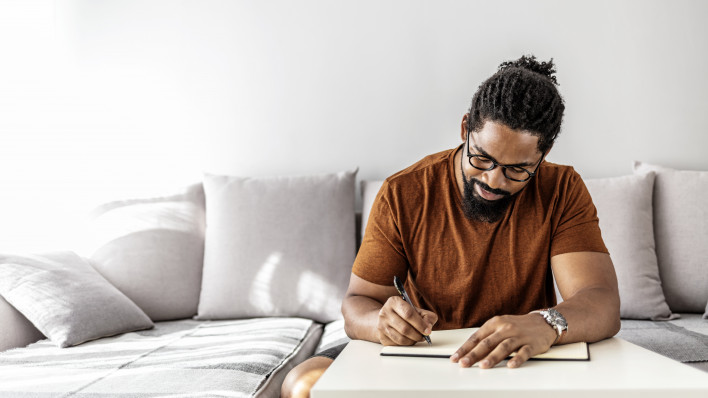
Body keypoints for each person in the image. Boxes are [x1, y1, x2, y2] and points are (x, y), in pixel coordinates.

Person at [281, 55, 620, 397]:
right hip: (422, 357)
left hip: (518, 362)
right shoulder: (403, 192)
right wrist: (381, 322)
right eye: (482, 157)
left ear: (542, 157)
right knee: (303, 384)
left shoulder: (561, 188)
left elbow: (601, 302)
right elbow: (358, 304)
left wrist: (545, 323)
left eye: (517, 170)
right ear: (464, 128)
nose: (493, 180)